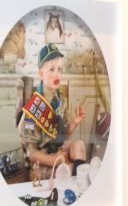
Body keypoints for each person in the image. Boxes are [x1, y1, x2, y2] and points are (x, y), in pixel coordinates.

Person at [18, 43, 87, 178]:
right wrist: (55, 159)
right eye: (52, 69)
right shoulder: (33, 110)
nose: (57, 74)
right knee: (70, 169)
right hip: (43, 161)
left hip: (59, 149)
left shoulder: (60, 100)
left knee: (79, 145)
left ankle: (79, 181)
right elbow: (31, 153)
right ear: (41, 74)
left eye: (59, 70)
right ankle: (78, 178)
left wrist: (74, 122)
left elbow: (63, 134)